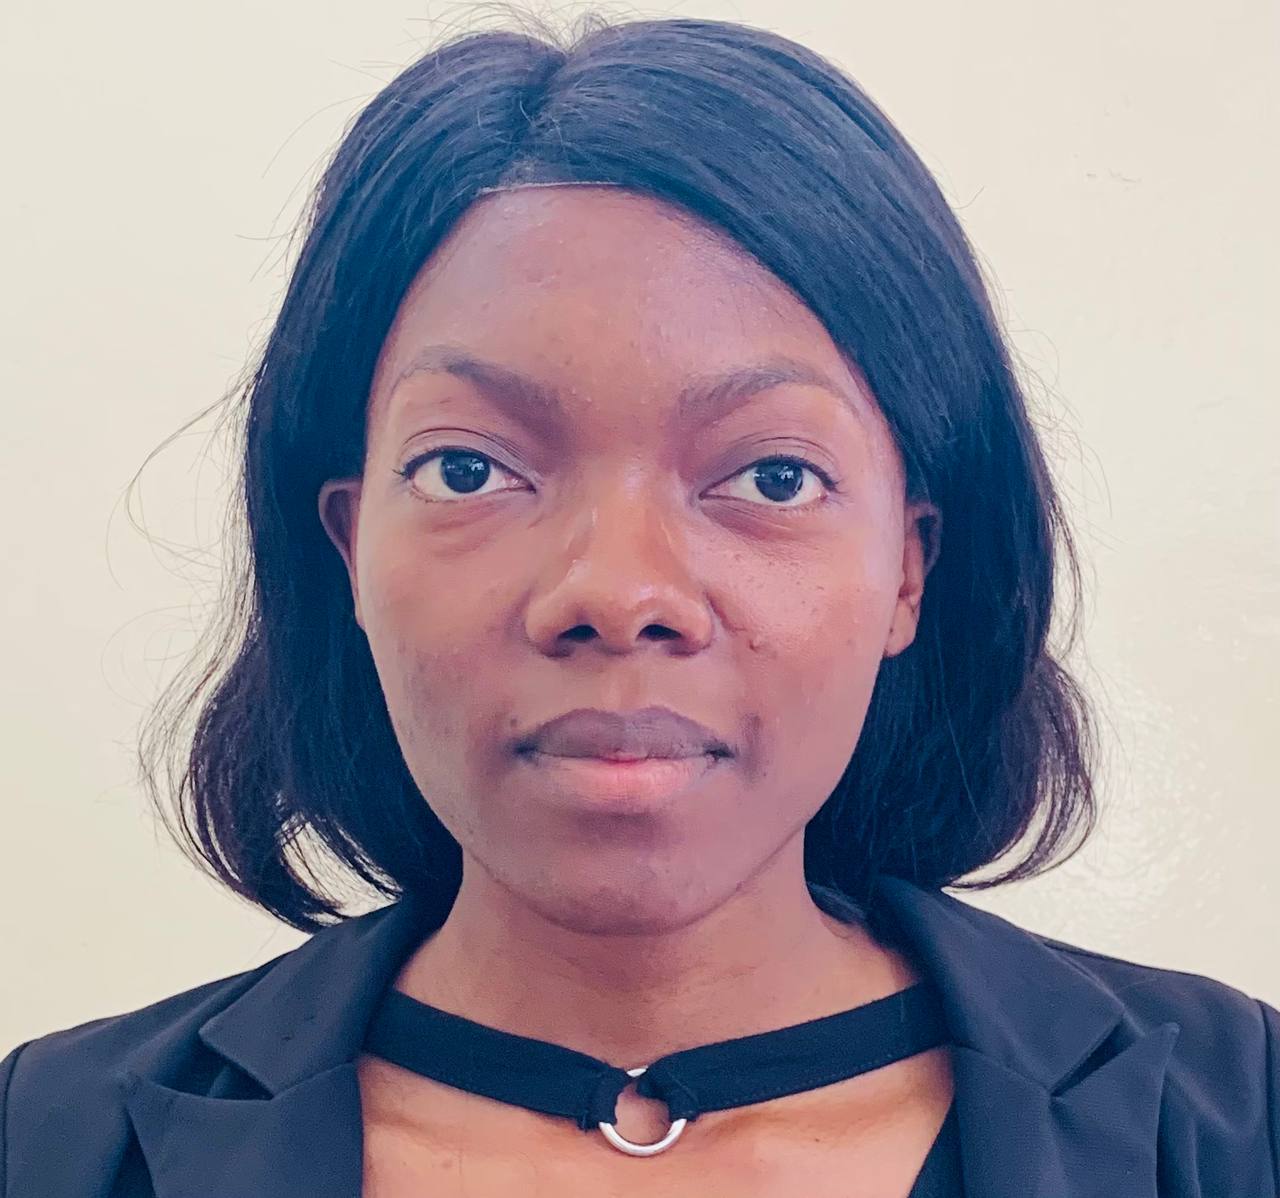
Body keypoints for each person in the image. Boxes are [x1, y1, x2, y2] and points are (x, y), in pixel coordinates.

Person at [2, 9, 1276, 1196]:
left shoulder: (1238, 1119)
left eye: (771, 476)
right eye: (468, 470)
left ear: (907, 566)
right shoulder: (48, 1139)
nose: (616, 595)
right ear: (346, 551)